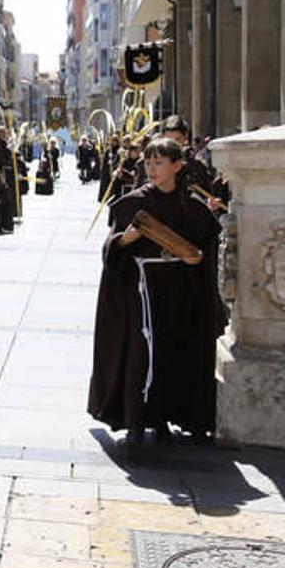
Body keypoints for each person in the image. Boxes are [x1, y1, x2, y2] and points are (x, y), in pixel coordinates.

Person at [88, 138, 222, 462]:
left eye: (159, 162)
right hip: (141, 292)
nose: (151, 168)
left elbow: (207, 251)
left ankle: (163, 418)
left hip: (180, 293)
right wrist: (126, 239)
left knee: (174, 353)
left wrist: (196, 261)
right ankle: (136, 423)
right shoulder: (131, 203)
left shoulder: (194, 208)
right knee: (141, 354)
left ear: (177, 166)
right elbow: (111, 249)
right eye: (148, 162)